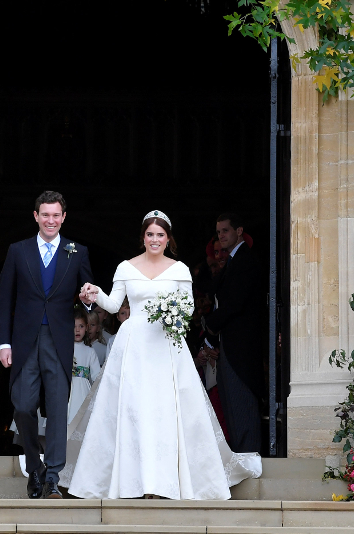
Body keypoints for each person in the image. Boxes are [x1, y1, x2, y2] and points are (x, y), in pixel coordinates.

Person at [65, 210, 262, 500]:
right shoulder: (126, 267)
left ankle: (163, 483)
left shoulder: (180, 269)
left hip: (167, 346)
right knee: (133, 412)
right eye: (149, 234)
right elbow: (114, 303)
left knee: (165, 413)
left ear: (168, 238)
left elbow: (187, 309)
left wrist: (173, 315)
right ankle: (132, 482)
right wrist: (94, 296)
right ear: (143, 237)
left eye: (160, 235)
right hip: (133, 347)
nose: (154, 240)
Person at [0, 191, 95, 499]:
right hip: (25, 340)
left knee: (56, 409)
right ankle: (34, 465)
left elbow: (90, 299)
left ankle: (52, 476)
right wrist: (3, 343)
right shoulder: (18, 250)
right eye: (45, 215)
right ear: (36, 216)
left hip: (59, 340)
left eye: (56, 215)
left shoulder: (77, 252)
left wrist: (87, 300)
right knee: (23, 406)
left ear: (63, 217)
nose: (51, 220)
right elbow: (4, 300)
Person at [203, 213, 263, 454]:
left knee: (241, 401)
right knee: (231, 402)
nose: (221, 236)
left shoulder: (245, 260)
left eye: (225, 231)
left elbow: (234, 303)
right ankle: (240, 456)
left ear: (239, 231)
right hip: (230, 343)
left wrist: (210, 324)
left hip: (241, 347)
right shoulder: (230, 262)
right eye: (218, 232)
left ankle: (248, 457)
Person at [69, 306, 101, 423]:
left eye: (81, 326)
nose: (77, 330)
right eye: (74, 326)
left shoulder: (90, 351)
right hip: (67, 389)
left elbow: (96, 375)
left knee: (81, 422)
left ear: (87, 328)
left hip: (83, 392)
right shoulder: (64, 349)